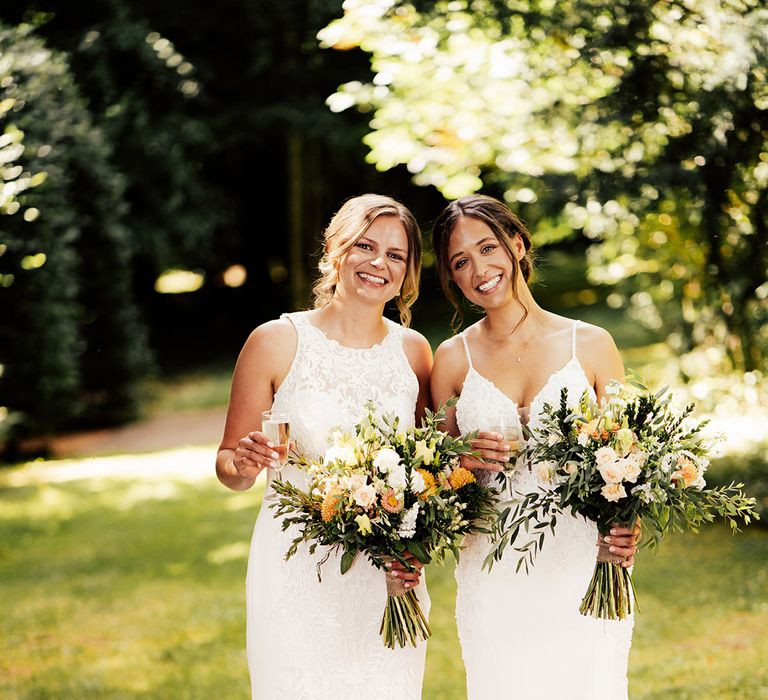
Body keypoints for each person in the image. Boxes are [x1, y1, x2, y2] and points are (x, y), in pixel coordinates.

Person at [215, 194, 433, 699]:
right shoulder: (275, 341)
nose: (379, 263)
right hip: (296, 567)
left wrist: (416, 543)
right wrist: (243, 462)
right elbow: (230, 466)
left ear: (408, 272)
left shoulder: (414, 352)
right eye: (365, 246)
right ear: (337, 250)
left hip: (389, 576)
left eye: (395, 255)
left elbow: (430, 473)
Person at [430, 194, 639, 700]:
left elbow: (629, 458)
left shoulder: (589, 344)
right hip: (492, 564)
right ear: (453, 278)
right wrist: (460, 458)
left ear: (517, 244)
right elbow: (434, 482)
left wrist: (627, 523)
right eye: (461, 261)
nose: (479, 269)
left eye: (488, 248)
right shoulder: (451, 360)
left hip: (584, 562)